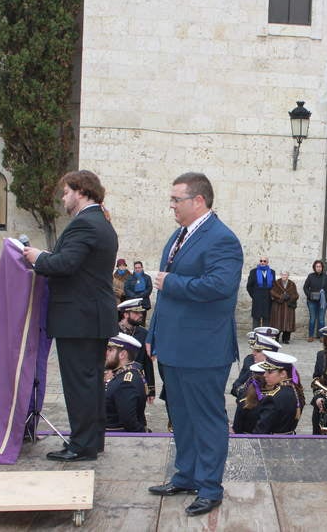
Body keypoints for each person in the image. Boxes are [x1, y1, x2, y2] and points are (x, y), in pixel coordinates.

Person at [146, 172, 242, 518]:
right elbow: (164, 295)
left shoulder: (222, 239)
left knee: (207, 419)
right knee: (181, 417)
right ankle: (185, 475)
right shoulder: (180, 234)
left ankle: (210, 487)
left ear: (198, 201)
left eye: (176, 199)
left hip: (203, 349)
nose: (171, 205)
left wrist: (172, 282)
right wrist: (153, 334)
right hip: (174, 346)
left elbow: (219, 286)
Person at [23, 169, 119, 462]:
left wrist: (37, 256)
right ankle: (92, 440)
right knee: (89, 383)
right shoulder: (99, 222)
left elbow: (66, 264)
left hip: (79, 318)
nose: (63, 198)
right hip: (90, 316)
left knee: (80, 384)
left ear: (80, 191)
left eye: (66, 192)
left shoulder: (85, 224)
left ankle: (82, 445)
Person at [251, 352, 305, 435]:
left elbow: (261, 430)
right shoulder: (297, 391)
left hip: (272, 443)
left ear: (283, 374)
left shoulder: (273, 397)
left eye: (269, 372)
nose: (265, 375)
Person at [104, 333, 148, 433]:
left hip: (116, 438)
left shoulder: (125, 383)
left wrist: (144, 434)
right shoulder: (125, 374)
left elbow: (129, 422)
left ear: (122, 354)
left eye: (110, 350)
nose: (106, 353)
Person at [117, 298, 155, 402]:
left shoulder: (144, 333)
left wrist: (151, 389)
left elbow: (148, 362)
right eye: (136, 313)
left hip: (136, 382)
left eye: (141, 312)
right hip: (114, 382)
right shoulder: (113, 331)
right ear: (125, 314)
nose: (141, 315)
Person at [230, 331, 280, 397]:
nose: (253, 353)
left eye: (258, 351)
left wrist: (245, 393)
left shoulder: (276, 370)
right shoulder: (251, 362)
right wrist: (241, 391)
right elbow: (237, 384)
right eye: (253, 349)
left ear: (269, 354)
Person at [302, 260, 327, 342]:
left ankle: (322, 336)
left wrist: (325, 298)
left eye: (320, 266)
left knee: (321, 319)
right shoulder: (310, 276)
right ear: (314, 268)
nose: (318, 268)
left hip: (323, 302)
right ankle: (310, 335)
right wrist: (310, 296)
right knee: (312, 318)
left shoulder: (326, 277)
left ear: (322, 268)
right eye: (317, 266)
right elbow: (305, 287)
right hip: (312, 301)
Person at [269, 271, 298, 344]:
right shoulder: (276, 283)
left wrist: (290, 297)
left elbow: (296, 294)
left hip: (289, 306)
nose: (284, 276)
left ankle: (286, 339)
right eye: (283, 274)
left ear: (288, 275)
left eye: (286, 274)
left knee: (288, 323)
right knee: (277, 323)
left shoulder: (292, 284)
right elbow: (272, 292)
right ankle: (276, 338)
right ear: (280, 275)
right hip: (278, 306)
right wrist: (281, 297)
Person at [246, 257, 275, 328]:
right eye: (261, 261)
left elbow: (274, 285)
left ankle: (265, 336)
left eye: (264, 261)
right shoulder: (253, 271)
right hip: (257, 299)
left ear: (267, 262)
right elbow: (249, 286)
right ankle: (255, 336)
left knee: (267, 319)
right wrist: (254, 296)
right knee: (256, 318)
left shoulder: (272, 272)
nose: (262, 262)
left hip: (268, 299)